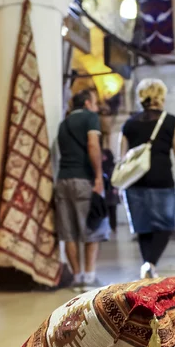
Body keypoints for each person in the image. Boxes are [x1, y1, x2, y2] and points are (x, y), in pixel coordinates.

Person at [121, 78, 175, 279]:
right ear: (161, 97)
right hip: (162, 178)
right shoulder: (170, 121)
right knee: (165, 225)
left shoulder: (129, 124)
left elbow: (121, 156)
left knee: (143, 226)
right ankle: (150, 263)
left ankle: (147, 263)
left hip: (134, 181)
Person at [55, 89, 109, 291]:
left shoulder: (64, 123)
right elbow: (93, 146)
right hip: (83, 180)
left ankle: (76, 277)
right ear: (87, 103)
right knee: (91, 228)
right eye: (94, 103)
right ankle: (89, 277)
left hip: (62, 180)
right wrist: (98, 176)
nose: (96, 107)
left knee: (69, 232)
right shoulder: (90, 118)